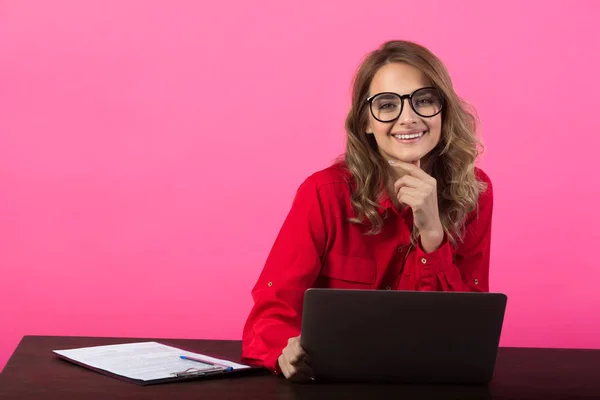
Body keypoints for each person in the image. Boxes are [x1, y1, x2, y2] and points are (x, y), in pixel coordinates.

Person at [241, 40, 494, 382]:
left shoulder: (474, 191)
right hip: (330, 383)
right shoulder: (323, 193)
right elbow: (270, 311)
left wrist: (433, 236)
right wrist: (284, 352)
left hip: (428, 385)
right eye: (387, 105)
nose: (408, 118)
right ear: (365, 122)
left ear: (443, 111)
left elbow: (469, 332)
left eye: (424, 100)